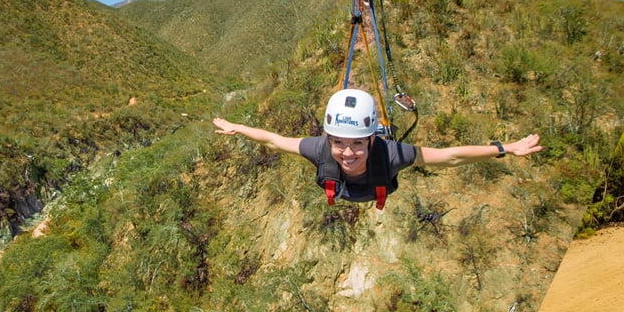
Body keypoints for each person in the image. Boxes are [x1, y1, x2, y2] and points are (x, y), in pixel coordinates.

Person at [212, 88, 542, 208]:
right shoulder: (318, 149)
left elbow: (450, 155)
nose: (346, 152)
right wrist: (237, 127)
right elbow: (273, 139)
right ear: (327, 139)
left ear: (373, 139)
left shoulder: (392, 154)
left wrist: (504, 149)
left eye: (357, 143)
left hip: (373, 187)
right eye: (338, 142)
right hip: (346, 192)